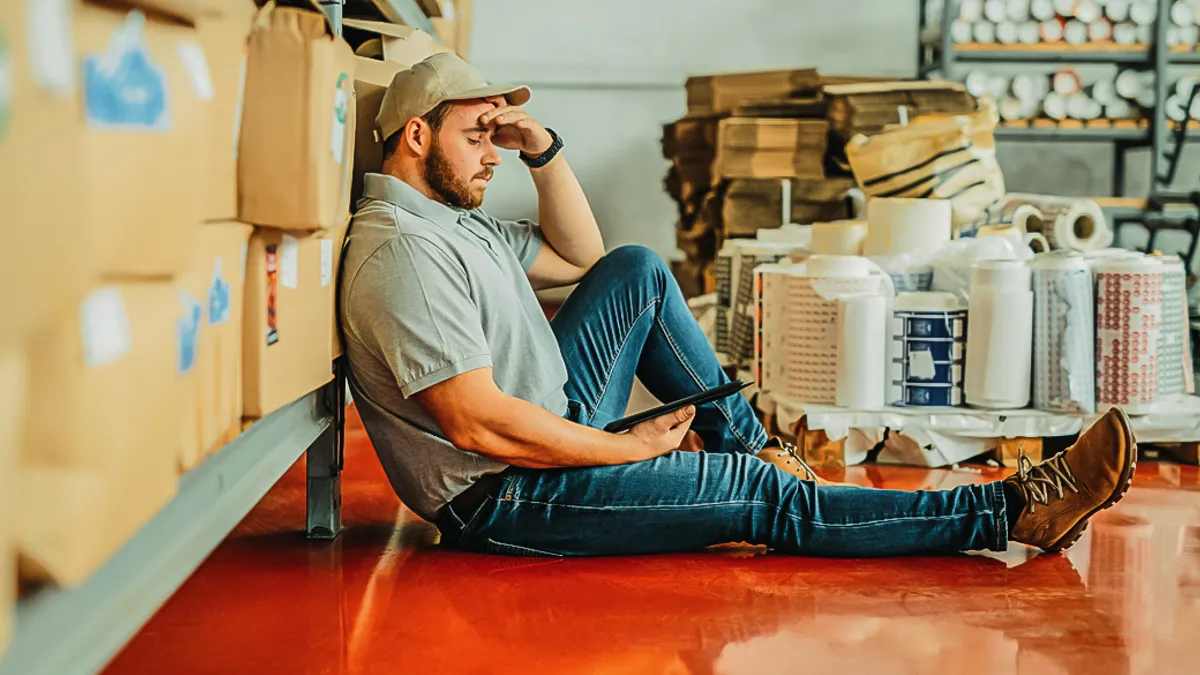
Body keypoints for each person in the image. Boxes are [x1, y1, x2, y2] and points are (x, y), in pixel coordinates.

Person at [339, 52, 1136, 558]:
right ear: (415, 135)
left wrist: (543, 151)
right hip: (508, 491)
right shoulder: (406, 251)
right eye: (478, 136)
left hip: (546, 421)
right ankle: (1013, 510)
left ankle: (758, 449)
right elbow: (476, 425)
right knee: (759, 502)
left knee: (638, 270)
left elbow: (585, 259)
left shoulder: (454, 224)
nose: (492, 154)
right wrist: (634, 451)